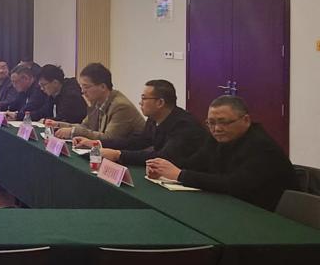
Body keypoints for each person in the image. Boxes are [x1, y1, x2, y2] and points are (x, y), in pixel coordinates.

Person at [146, 95, 297, 211]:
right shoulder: (217, 139)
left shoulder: (262, 147)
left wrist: (180, 175)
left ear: (246, 120)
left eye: (224, 122)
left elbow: (234, 184)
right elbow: (194, 163)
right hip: (233, 207)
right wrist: (162, 169)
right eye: (211, 123)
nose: (217, 129)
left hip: (264, 214)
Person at [73, 79, 208, 166]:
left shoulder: (184, 125)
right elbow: (137, 142)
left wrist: (118, 155)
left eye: (144, 98)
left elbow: (164, 157)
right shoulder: (153, 118)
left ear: (160, 103)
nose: (140, 103)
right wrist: (96, 143)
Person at [45, 62, 145, 140]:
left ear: (103, 87)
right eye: (82, 87)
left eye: (86, 87)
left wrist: (73, 132)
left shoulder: (120, 106)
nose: (83, 91)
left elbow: (109, 139)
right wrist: (58, 125)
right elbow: (85, 126)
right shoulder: (96, 102)